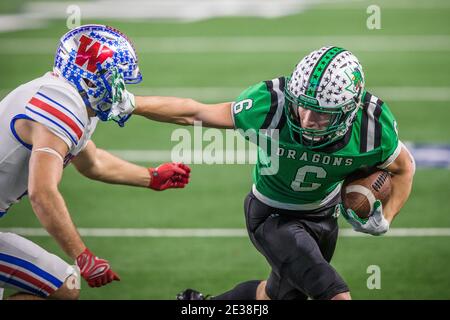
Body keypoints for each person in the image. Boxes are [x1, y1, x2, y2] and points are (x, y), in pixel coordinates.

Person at [114, 46, 415, 300]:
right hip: (273, 216)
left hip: (324, 217)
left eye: (321, 112)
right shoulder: (273, 104)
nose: (307, 120)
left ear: (349, 110)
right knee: (334, 294)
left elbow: (404, 167)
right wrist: (133, 103)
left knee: (272, 297)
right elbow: (196, 112)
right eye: (302, 107)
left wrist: (386, 217)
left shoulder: (372, 127)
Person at [0, 24, 190, 300]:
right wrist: (83, 256)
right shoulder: (62, 105)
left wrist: (150, 177)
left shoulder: (69, 100)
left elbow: (93, 162)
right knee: (66, 286)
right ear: (89, 78)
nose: (119, 87)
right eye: (114, 78)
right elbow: (42, 193)